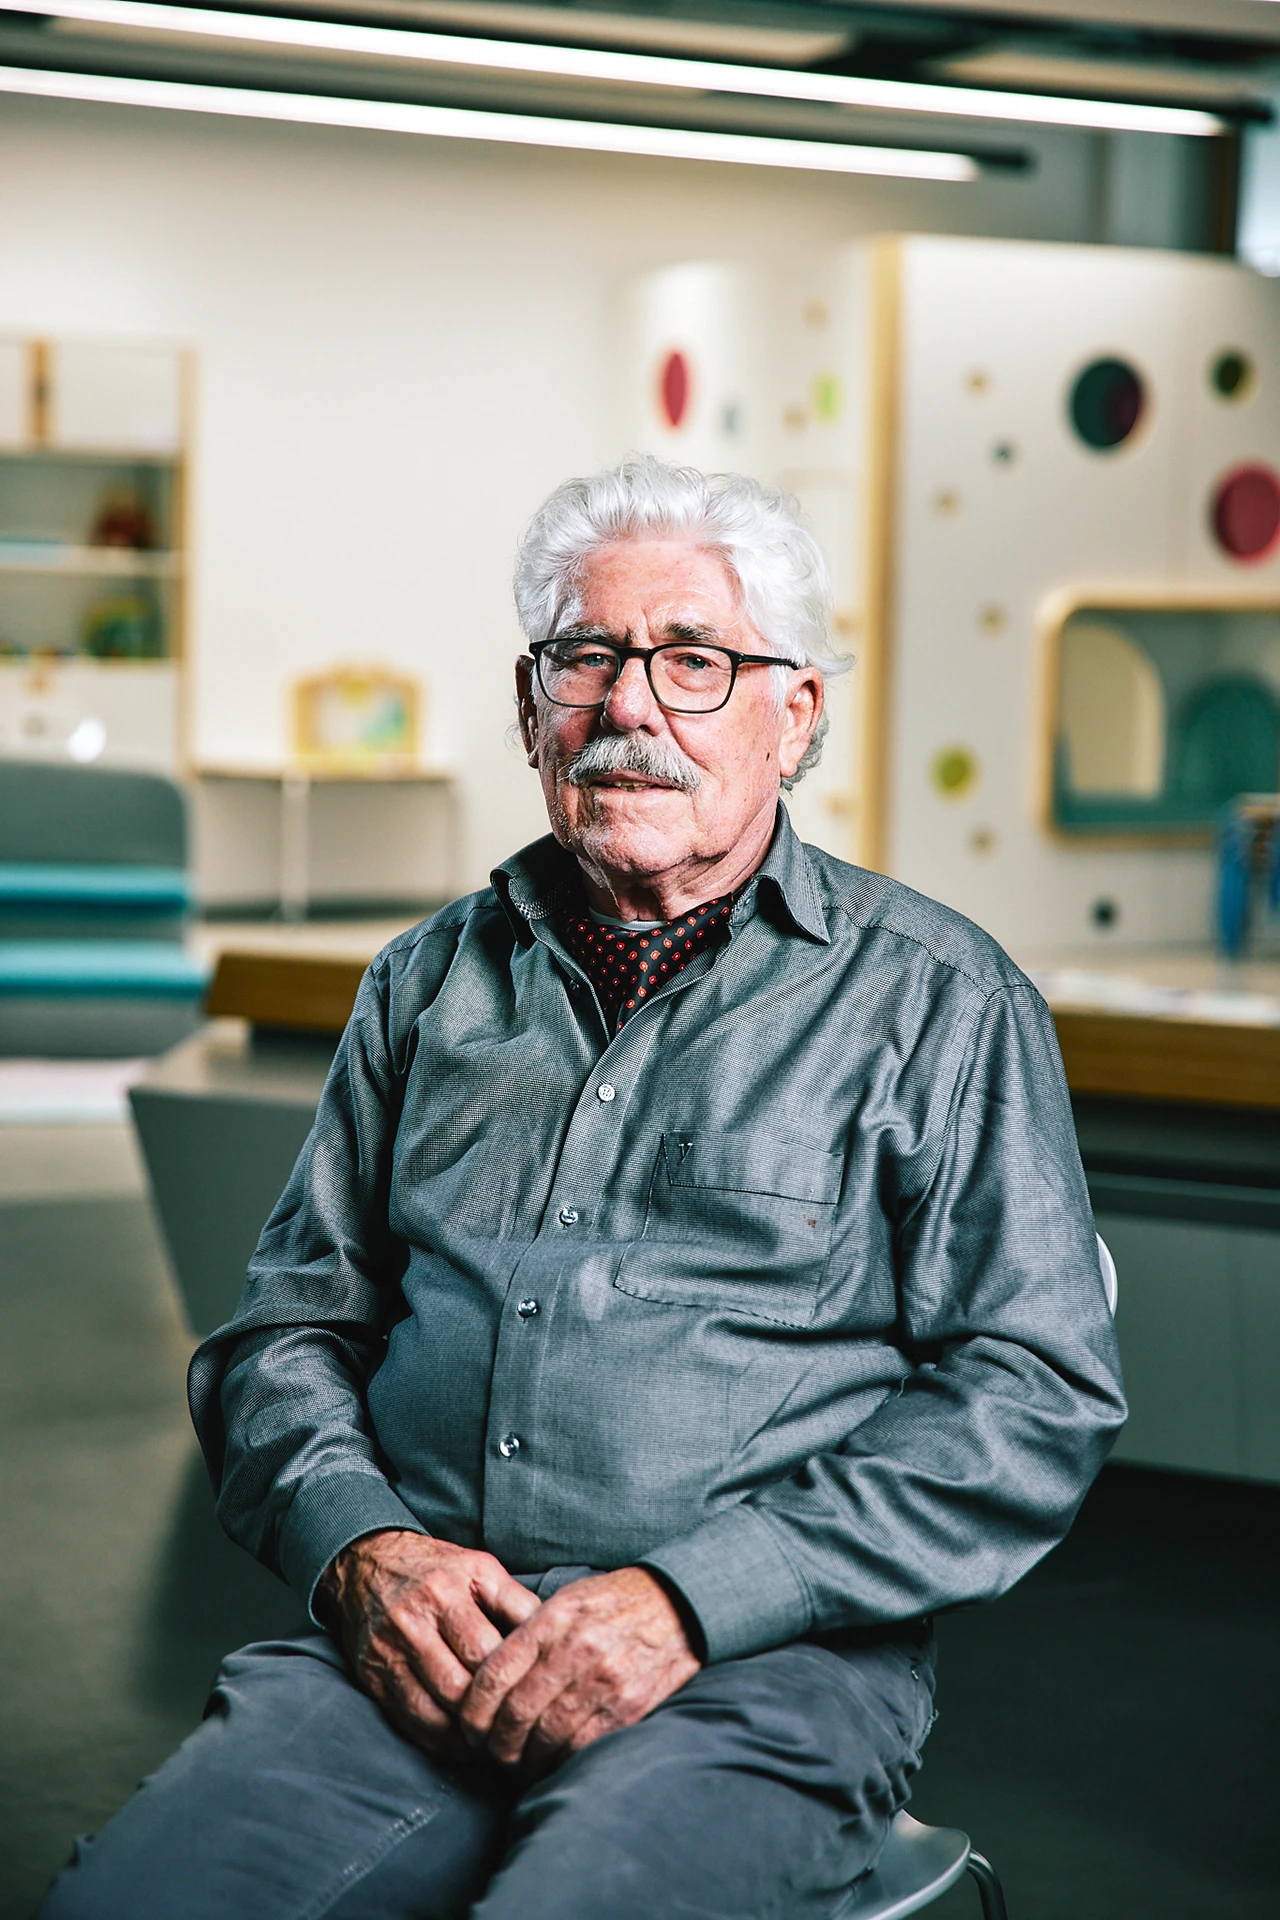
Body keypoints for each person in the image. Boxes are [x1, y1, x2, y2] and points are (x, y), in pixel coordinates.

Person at [43, 457, 1125, 1920]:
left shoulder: (941, 1002)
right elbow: (277, 1340)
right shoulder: (425, 986)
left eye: (693, 662)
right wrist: (363, 1551)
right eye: (585, 658)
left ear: (793, 714)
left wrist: (694, 1597)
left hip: (759, 1667)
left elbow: (1034, 1395)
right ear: (530, 701)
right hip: (410, 1645)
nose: (627, 706)